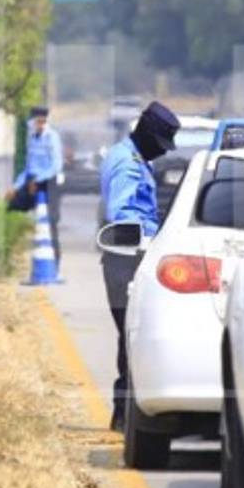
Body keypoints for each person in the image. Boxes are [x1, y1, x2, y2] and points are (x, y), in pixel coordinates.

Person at [98, 101, 180, 431]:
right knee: (132, 338)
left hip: (126, 258)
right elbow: (125, 215)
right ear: (145, 134)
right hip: (127, 256)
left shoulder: (129, 155)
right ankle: (124, 414)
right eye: (159, 145)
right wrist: (151, 241)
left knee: (130, 338)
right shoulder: (128, 165)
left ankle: (124, 414)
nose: (161, 153)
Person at [7, 106, 64, 262]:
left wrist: (37, 181)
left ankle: (54, 262)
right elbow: (28, 167)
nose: (39, 125)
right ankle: (8, 256)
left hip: (48, 181)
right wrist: (16, 186)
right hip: (31, 180)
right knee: (10, 207)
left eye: (42, 122)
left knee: (51, 221)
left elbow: (56, 166)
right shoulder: (31, 138)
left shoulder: (52, 137)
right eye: (36, 122)